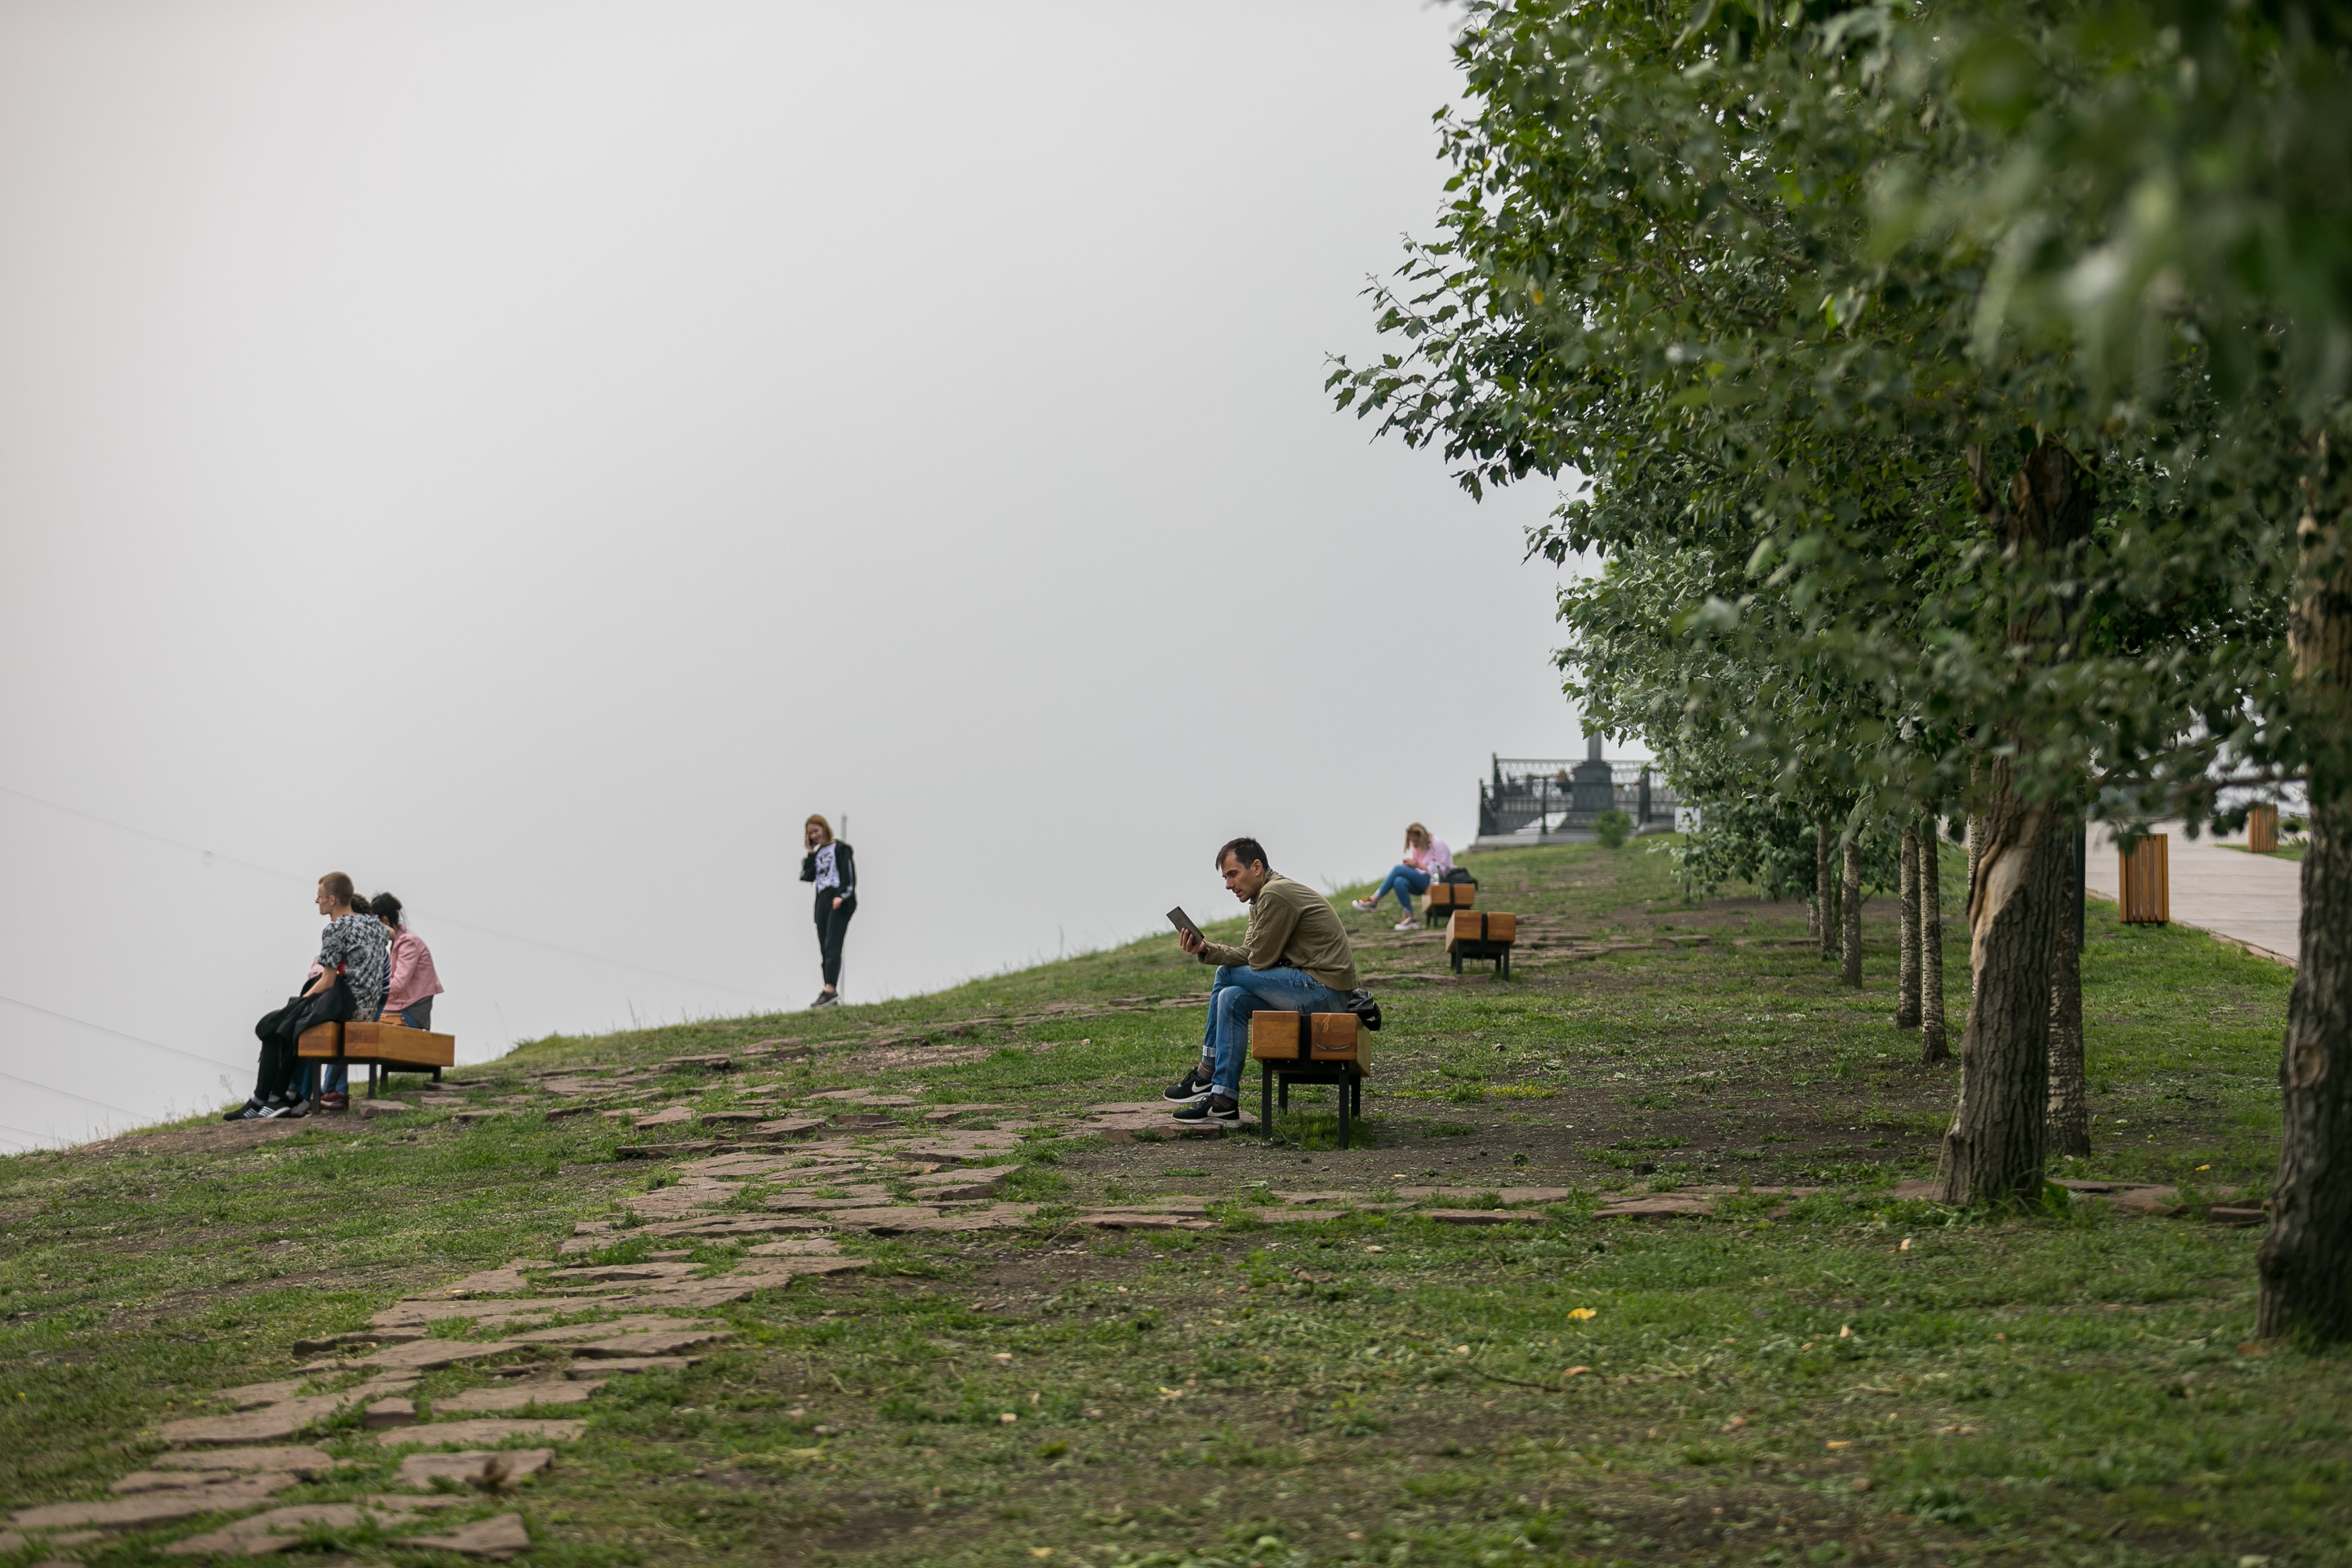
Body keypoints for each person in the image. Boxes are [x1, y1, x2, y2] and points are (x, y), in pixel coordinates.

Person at [1164, 837, 1359, 1125]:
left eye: (1233, 874)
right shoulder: (1261, 898)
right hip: (1308, 989)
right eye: (1225, 877)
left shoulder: (1275, 894)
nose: (1229, 885)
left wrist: (1217, 955)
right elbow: (1251, 953)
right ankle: (1223, 1101)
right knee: (1231, 998)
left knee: (1224, 974)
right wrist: (1206, 949)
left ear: (1256, 867)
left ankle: (1207, 1070)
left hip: (1326, 991)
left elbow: (1258, 960)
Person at [227, 873, 390, 1120]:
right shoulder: (374, 924)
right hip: (366, 1006)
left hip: (346, 1004)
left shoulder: (335, 929)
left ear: (332, 900)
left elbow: (327, 981)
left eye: (321, 896)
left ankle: (269, 1099)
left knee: (274, 1025)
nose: (317, 901)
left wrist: (303, 1001)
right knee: (281, 1022)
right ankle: (272, 1099)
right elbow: (393, 935)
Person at [800, 815, 857, 1008]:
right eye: (810, 834)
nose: (814, 836)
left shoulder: (841, 849)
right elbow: (806, 876)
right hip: (822, 900)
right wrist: (810, 852)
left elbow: (850, 878)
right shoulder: (816, 854)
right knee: (824, 946)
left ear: (824, 828)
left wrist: (842, 896)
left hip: (838, 899)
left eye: (816, 831)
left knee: (833, 943)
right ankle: (829, 991)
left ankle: (829, 989)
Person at [1352, 822, 1452, 929]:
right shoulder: (1418, 848)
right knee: (1399, 881)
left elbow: (1443, 870)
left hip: (1437, 882)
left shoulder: (1438, 844)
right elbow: (1419, 868)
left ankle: (1373, 900)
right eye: (1412, 841)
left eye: (1416, 841)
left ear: (1421, 837)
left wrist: (1418, 865)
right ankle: (1410, 918)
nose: (1414, 844)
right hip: (1423, 881)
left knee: (1398, 869)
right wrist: (1412, 865)